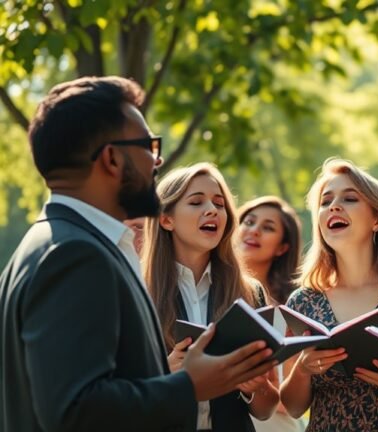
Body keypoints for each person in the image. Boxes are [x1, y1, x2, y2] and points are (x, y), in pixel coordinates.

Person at [0, 76, 274, 432]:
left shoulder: (48, 243)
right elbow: (75, 411)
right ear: (112, 158)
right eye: (148, 146)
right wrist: (188, 385)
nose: (156, 163)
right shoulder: (75, 255)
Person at [279, 158, 378, 431]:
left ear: (377, 219)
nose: (334, 206)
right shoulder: (302, 301)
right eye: (325, 201)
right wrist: (303, 370)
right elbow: (293, 406)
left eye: (350, 198)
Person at [142, 163, 279, 431]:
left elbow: (267, 408)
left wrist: (257, 388)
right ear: (166, 219)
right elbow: (115, 397)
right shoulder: (137, 291)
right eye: (196, 202)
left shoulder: (250, 293)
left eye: (219, 204)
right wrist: (163, 375)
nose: (212, 210)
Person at [236, 196, 306, 432]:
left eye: (267, 228)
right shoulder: (204, 294)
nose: (254, 231)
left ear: (282, 247)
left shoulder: (292, 310)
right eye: (248, 222)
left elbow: (293, 401)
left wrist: (259, 388)